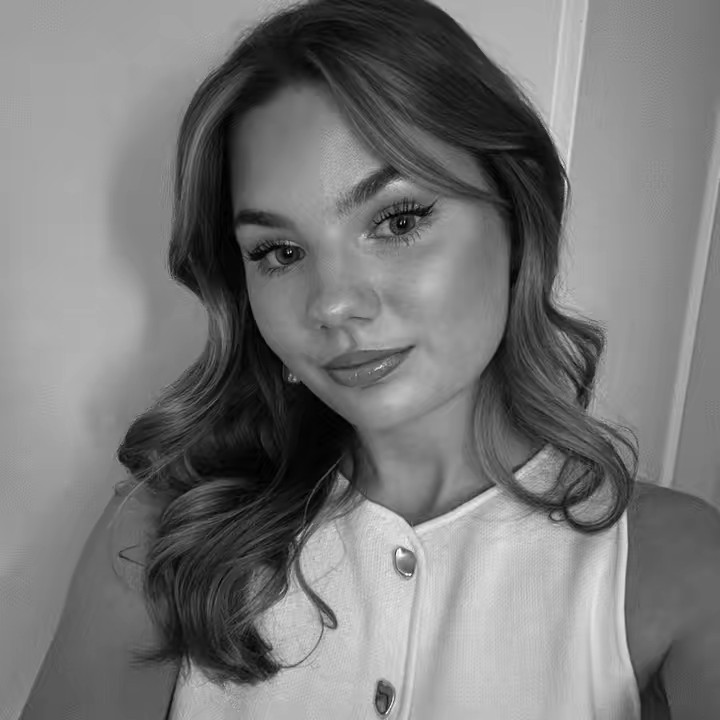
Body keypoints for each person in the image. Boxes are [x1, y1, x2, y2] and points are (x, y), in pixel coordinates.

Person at [20, 0, 720, 718]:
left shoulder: (674, 567)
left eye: (398, 220)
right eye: (280, 252)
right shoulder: (164, 538)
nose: (332, 303)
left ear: (516, 215)